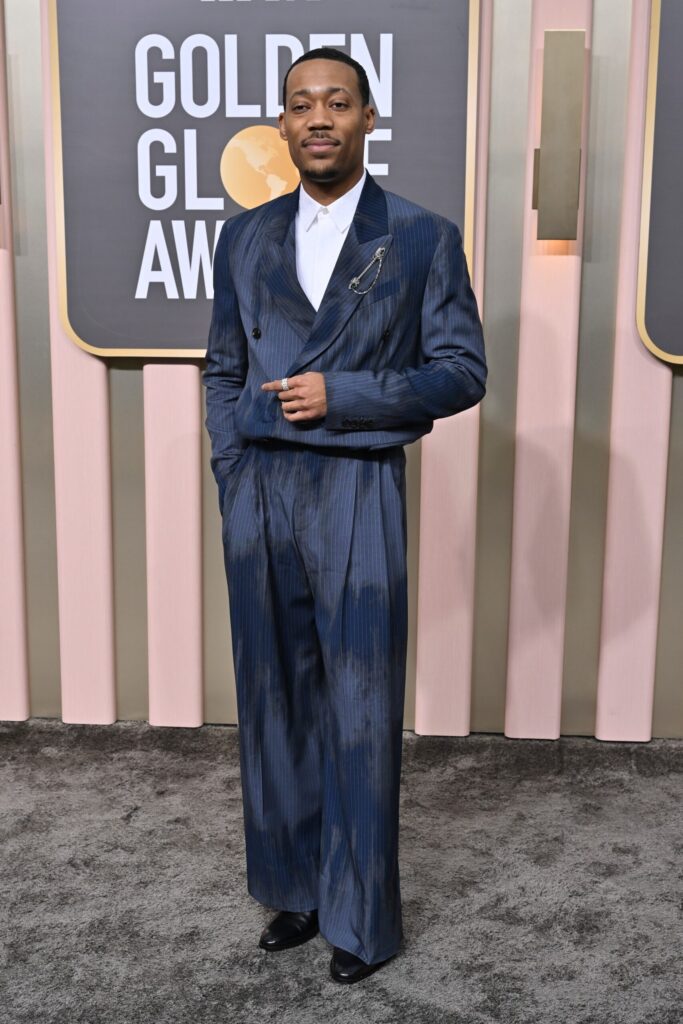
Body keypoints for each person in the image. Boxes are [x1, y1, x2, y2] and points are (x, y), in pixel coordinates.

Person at [202, 46, 487, 984]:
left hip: (357, 486)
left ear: (368, 117)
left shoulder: (420, 236)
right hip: (261, 493)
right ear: (281, 125)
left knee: (358, 708)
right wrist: (232, 475)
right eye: (300, 105)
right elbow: (223, 369)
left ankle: (362, 920)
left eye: (336, 102)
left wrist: (346, 395)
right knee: (273, 699)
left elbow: (461, 372)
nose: (317, 118)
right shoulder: (243, 238)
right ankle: (296, 889)